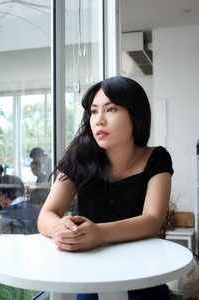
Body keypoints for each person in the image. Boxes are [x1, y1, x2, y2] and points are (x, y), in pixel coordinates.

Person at [37, 76, 173, 300]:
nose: (98, 120)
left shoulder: (156, 158)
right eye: (93, 111)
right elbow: (46, 215)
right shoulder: (79, 157)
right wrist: (60, 229)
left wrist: (99, 233)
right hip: (92, 274)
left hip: (144, 272)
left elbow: (152, 221)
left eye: (110, 110)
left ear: (135, 115)